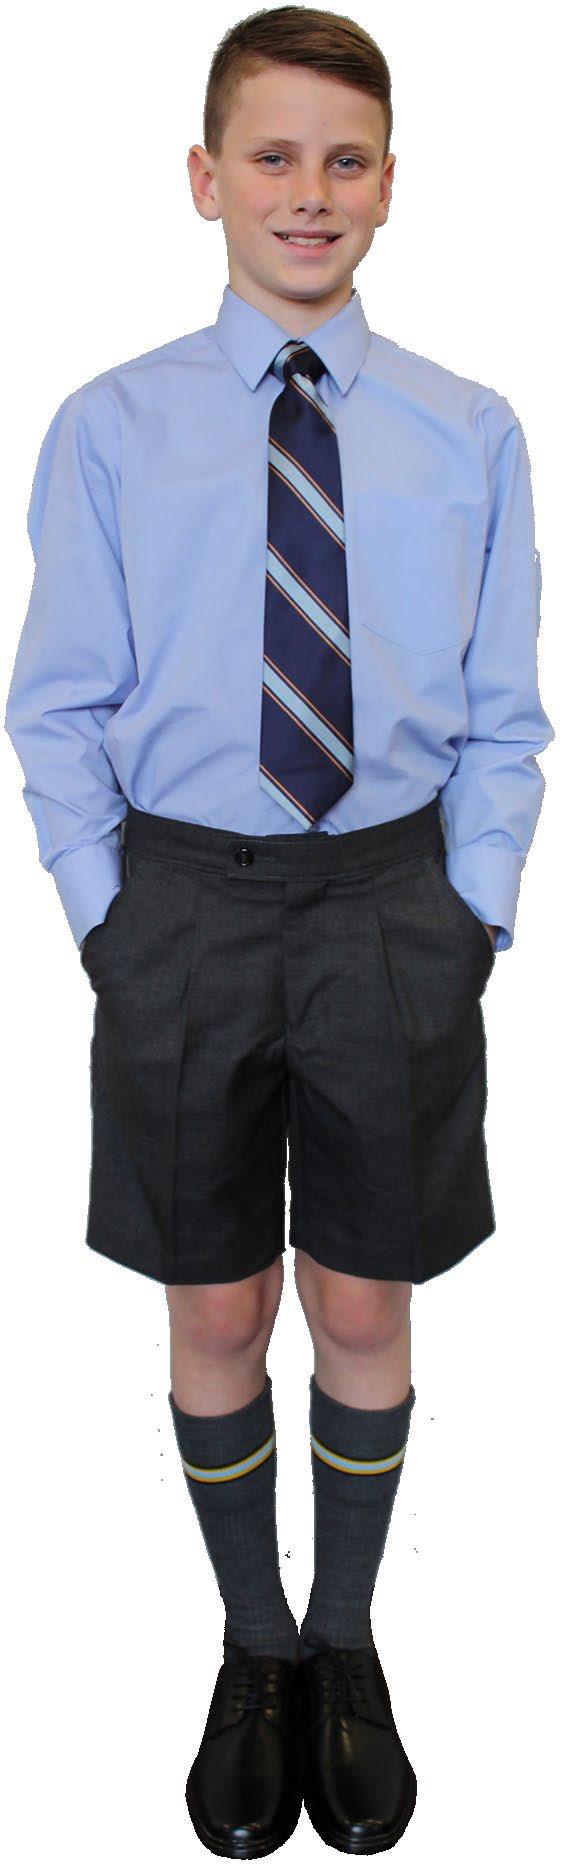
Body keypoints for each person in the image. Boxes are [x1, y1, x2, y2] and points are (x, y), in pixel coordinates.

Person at [4, 7, 554, 1857]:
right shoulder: (110, 425)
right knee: (219, 1302)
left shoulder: (470, 430)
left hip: (394, 901)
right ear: (203, 179)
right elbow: (57, 703)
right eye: (271, 155)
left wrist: (468, 910)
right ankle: (252, 1644)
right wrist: (110, 918)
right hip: (182, 903)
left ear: (388, 186)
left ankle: (347, 1642)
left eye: (344, 159)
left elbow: (504, 712)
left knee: (364, 1299)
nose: (306, 192)